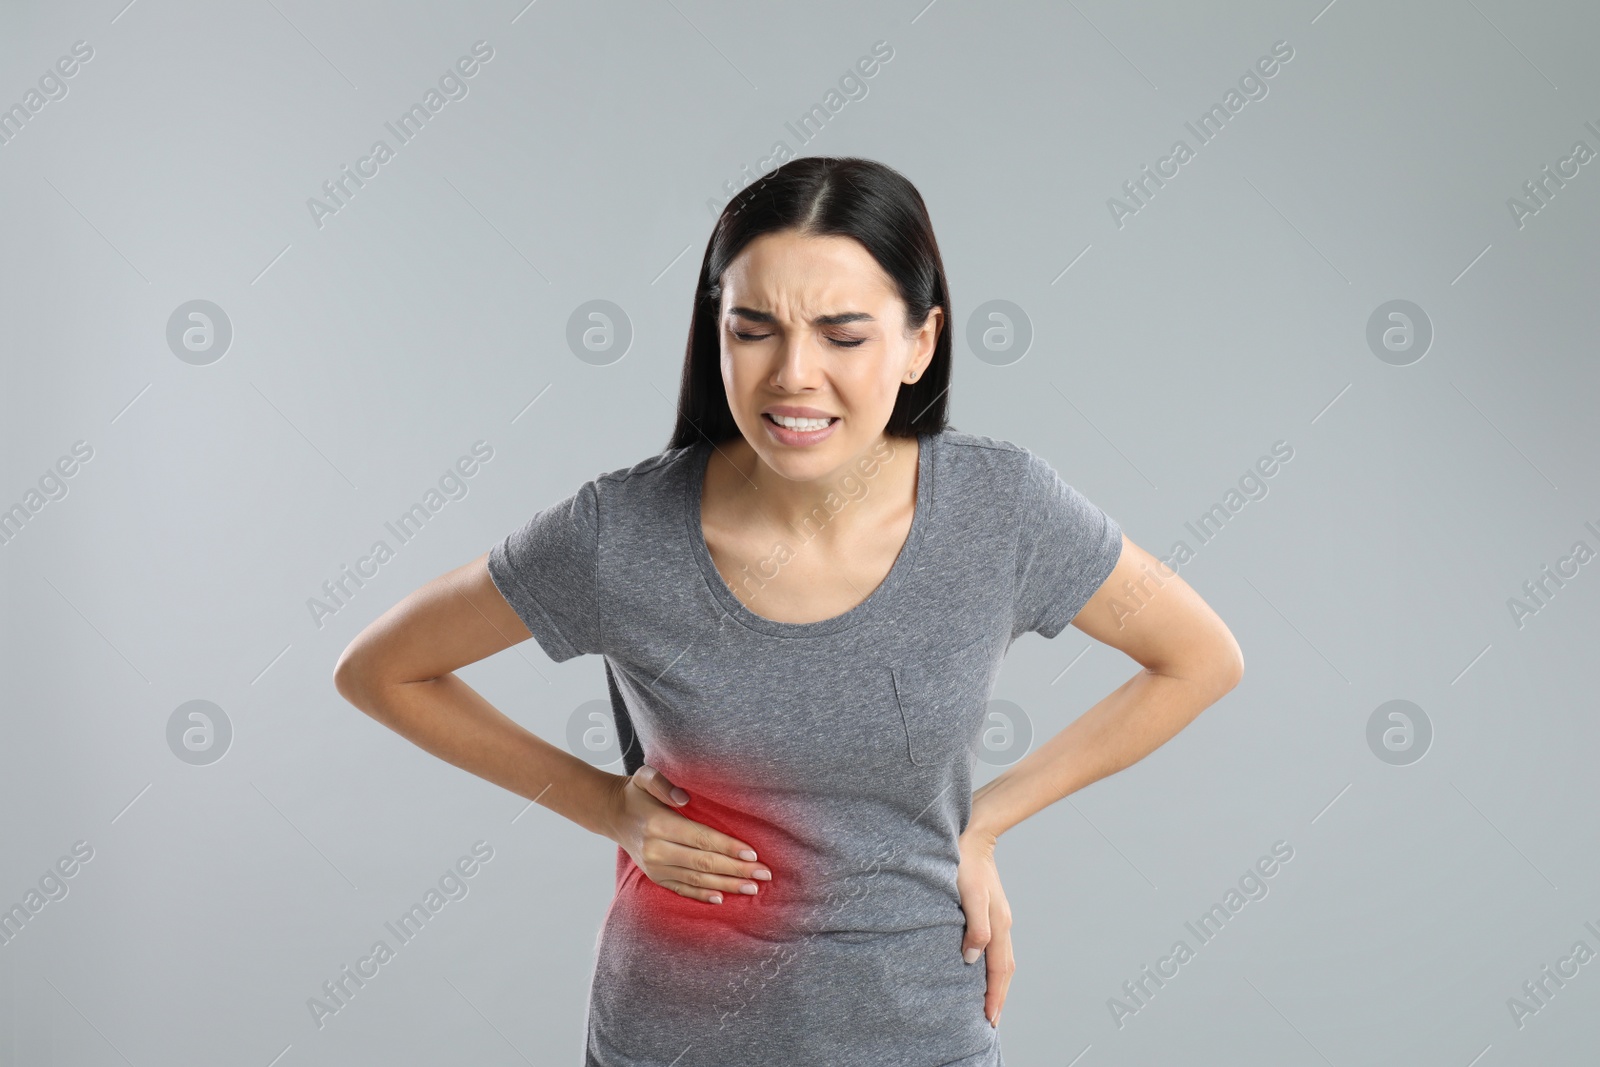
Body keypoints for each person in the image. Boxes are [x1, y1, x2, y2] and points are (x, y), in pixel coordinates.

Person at [333, 156, 1243, 1065]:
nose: (793, 374)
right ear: (716, 334)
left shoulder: (1000, 508)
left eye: (844, 335)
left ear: (922, 342)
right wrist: (609, 805)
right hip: (671, 1035)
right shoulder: (620, 531)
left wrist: (988, 821)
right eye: (754, 329)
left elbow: (1200, 657)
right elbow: (380, 668)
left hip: (917, 1031)